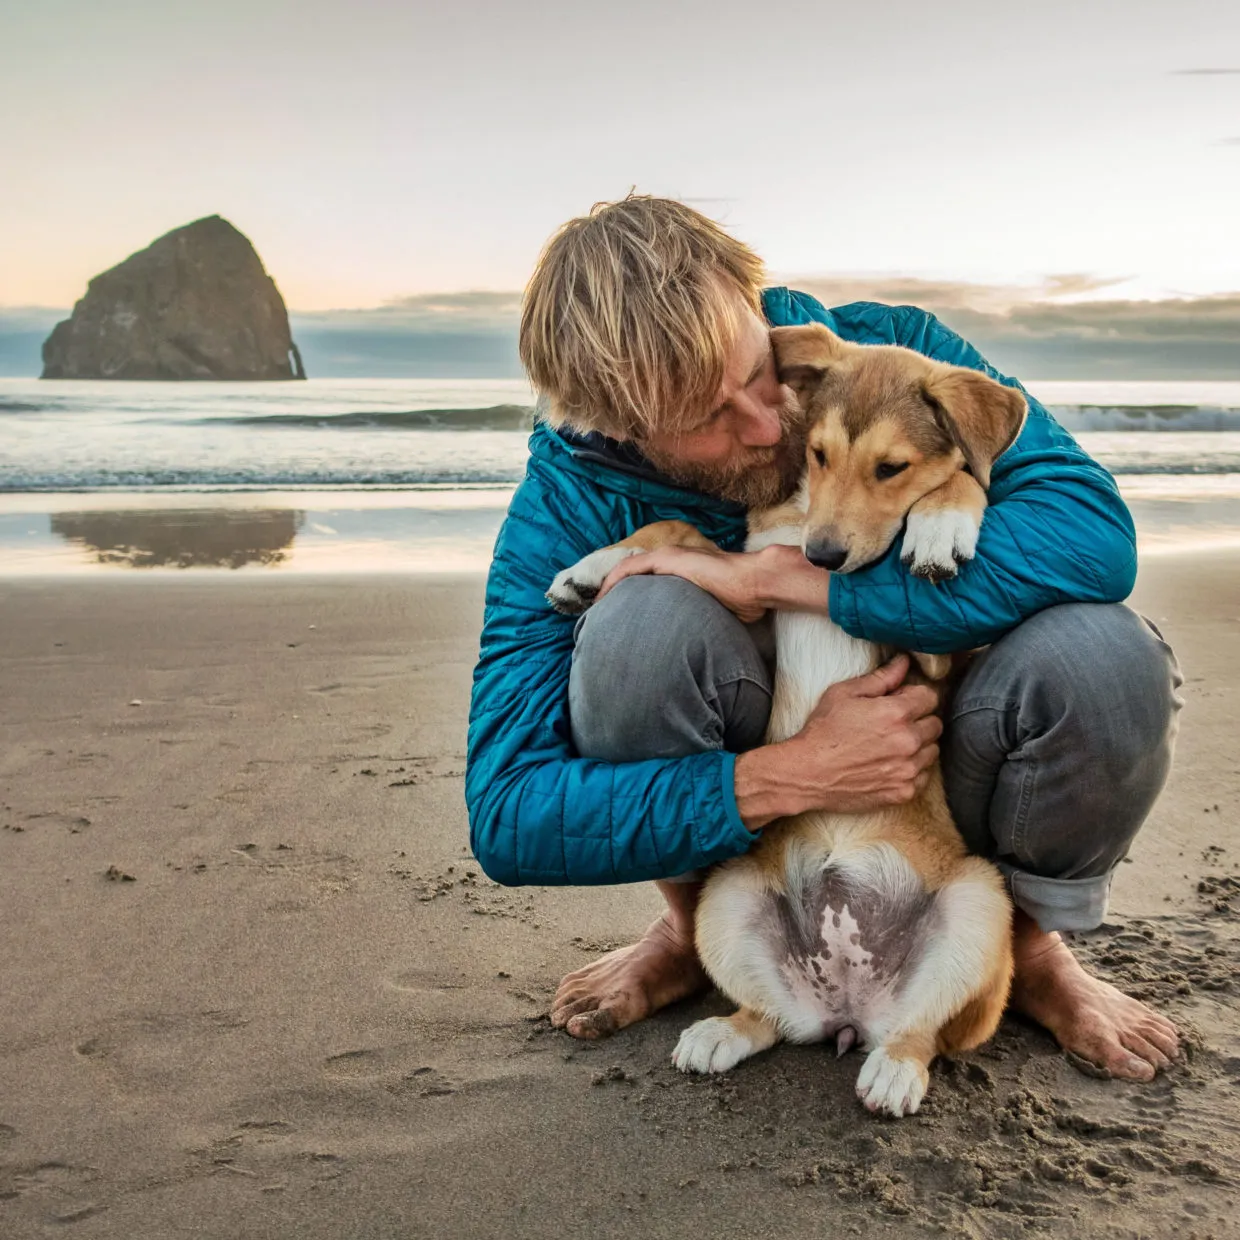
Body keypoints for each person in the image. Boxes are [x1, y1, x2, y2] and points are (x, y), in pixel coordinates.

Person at [466, 195, 1183, 1081]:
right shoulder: (572, 495)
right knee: (635, 626)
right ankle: (697, 931)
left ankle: (1028, 953)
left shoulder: (881, 354)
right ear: (618, 427)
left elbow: (1091, 535)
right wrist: (797, 770)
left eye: (753, 371)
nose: (769, 424)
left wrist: (783, 582)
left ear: (752, 300)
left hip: (933, 768)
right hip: (764, 803)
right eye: (706, 415)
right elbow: (510, 814)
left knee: (1104, 657)